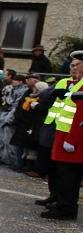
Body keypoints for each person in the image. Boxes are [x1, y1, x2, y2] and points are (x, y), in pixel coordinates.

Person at [38, 51, 83, 220]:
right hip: (63, 132)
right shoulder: (72, 83)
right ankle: (62, 205)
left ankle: (65, 209)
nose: (74, 68)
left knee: (68, 176)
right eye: (73, 65)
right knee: (63, 174)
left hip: (72, 136)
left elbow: (80, 115)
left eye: (78, 64)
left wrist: (72, 139)